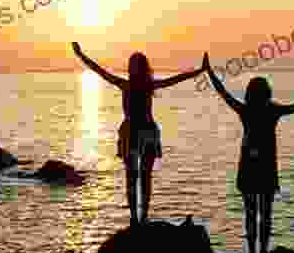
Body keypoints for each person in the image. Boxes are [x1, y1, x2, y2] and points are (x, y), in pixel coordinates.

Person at [203, 53, 294, 253]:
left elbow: (222, 92)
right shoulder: (272, 110)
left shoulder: (245, 110)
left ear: (250, 93)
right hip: (266, 168)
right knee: (265, 213)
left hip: (249, 167)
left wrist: (209, 71)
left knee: (251, 213)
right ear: (267, 93)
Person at [72, 42, 206, 225]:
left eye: (136, 64)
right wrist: (80, 55)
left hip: (148, 133)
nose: (132, 68)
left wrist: (199, 71)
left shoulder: (148, 85)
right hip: (130, 133)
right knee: (131, 176)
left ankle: (143, 216)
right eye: (131, 64)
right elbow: (99, 71)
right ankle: (134, 217)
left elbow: (175, 79)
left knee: (145, 177)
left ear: (142, 68)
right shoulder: (124, 84)